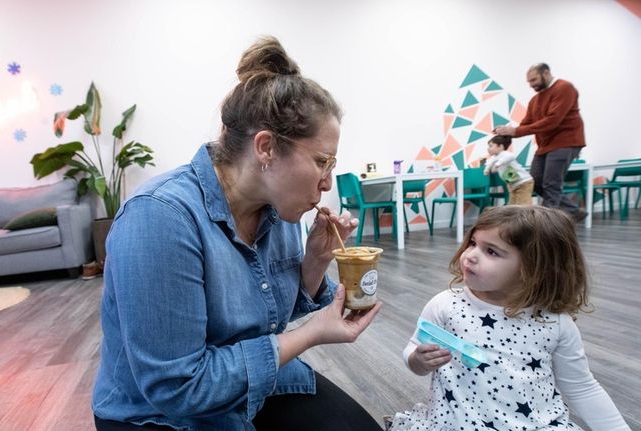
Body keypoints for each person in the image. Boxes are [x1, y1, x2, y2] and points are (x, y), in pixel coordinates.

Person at [92, 36, 384, 431]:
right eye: (321, 161)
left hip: (250, 385)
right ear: (266, 148)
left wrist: (314, 262)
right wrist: (311, 335)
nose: (328, 183)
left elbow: (269, 315)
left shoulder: (279, 209)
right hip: (162, 414)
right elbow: (180, 388)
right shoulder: (160, 218)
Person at [389, 206, 630, 430]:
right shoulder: (445, 304)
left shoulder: (556, 323)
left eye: (491, 251)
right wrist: (418, 361)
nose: (470, 255)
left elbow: (581, 387)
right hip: (456, 423)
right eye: (473, 243)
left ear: (535, 269)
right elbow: (413, 348)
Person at [494, 63, 587, 222]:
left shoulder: (564, 88)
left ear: (546, 73)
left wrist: (516, 131)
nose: (531, 84)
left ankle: (546, 225)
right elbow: (526, 125)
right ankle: (573, 210)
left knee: (551, 184)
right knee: (534, 182)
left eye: (534, 80)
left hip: (565, 142)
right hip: (545, 145)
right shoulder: (534, 100)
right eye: (529, 82)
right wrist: (505, 133)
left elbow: (553, 120)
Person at [483, 135, 534, 205]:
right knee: (512, 205)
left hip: (524, 182)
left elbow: (511, 156)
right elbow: (490, 163)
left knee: (523, 204)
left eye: (491, 146)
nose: (488, 149)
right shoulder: (494, 158)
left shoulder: (504, 154)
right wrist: (487, 169)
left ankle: (528, 215)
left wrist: (497, 164)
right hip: (513, 184)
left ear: (500, 146)